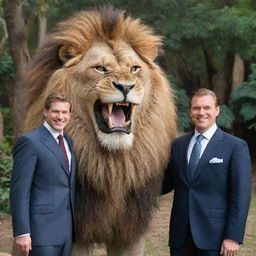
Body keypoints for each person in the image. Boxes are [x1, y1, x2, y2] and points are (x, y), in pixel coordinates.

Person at [162, 88, 251, 256]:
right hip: (180, 236)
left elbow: (241, 196)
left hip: (215, 237)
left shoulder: (235, 146)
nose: (201, 112)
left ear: (217, 110)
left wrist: (233, 237)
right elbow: (166, 183)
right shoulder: (178, 145)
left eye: (207, 108)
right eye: (196, 108)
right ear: (190, 111)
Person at [10, 92, 76, 256]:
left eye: (64, 112)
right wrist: (22, 233)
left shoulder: (68, 141)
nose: (60, 116)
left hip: (66, 232)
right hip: (41, 233)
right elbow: (19, 191)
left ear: (69, 115)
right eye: (55, 111)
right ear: (45, 112)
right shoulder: (30, 142)